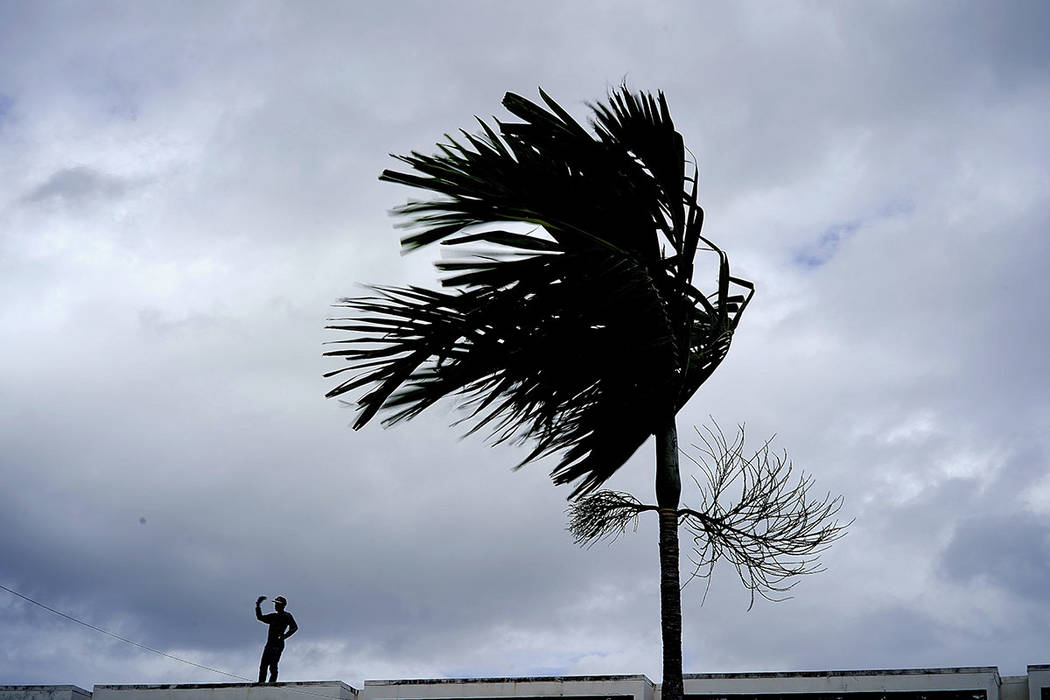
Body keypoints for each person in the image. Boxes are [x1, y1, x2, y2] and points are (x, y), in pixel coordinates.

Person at [255, 595, 298, 683]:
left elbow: (294, 627)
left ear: (283, 605)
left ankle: (272, 683)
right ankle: (261, 683)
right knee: (263, 665)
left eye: (278, 604)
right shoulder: (273, 616)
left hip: (278, 644)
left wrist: (284, 636)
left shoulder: (287, 616)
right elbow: (260, 617)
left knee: (273, 665)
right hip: (269, 644)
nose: (276, 606)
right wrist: (258, 606)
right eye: (275, 604)